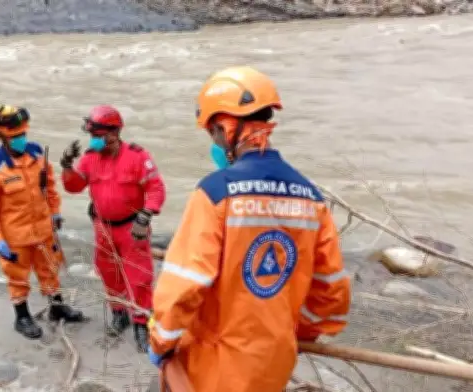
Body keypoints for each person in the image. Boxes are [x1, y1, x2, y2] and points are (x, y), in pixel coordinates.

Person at [146, 66, 352, 391]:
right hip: (274, 366)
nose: (213, 142)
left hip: (214, 367)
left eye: (213, 132)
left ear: (228, 128)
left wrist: (160, 342)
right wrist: (296, 333)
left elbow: (186, 284)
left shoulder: (215, 193)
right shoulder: (311, 198)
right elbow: (331, 294)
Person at [60, 105, 166, 352]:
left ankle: (141, 322)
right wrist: (66, 167)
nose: (95, 140)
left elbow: (155, 189)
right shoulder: (89, 158)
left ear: (115, 132)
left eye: (99, 135)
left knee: (139, 277)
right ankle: (119, 313)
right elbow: (74, 187)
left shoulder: (138, 157)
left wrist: (145, 216)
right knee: (108, 273)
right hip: (103, 228)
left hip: (132, 227)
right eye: (92, 135)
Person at [0, 104, 85, 340]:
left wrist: (55, 212)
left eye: (23, 134)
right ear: (2, 137)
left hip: (44, 230)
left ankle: (56, 307)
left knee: (50, 270)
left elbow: (49, 188)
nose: (21, 139)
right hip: (15, 236)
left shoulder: (37, 154)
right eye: (15, 137)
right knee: (18, 278)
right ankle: (22, 316)